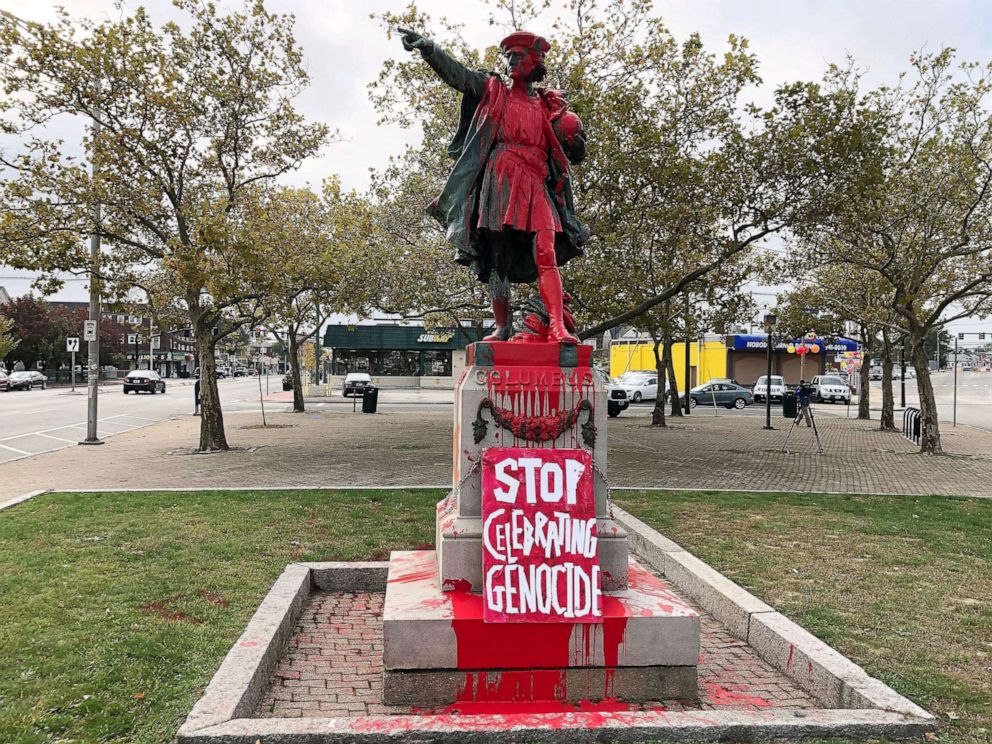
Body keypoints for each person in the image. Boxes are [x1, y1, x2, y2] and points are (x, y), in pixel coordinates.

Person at [397, 27, 589, 345]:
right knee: (496, 257)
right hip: (500, 179)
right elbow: (459, 76)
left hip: (535, 182)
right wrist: (430, 50)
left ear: (535, 62)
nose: (511, 60)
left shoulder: (549, 105)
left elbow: (570, 150)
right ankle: (502, 326)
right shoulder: (494, 90)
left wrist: (577, 145)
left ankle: (557, 325)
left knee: (546, 250)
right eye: (509, 56)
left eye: (518, 56)